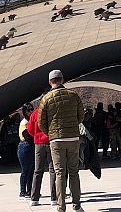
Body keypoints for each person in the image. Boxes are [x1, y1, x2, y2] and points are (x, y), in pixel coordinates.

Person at [38, 69, 85, 212]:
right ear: (62, 80)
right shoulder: (74, 96)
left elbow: (41, 122)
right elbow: (81, 116)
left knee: (59, 172)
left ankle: (61, 206)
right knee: (74, 172)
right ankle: (76, 206)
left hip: (56, 140)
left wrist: (51, 133)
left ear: (49, 82)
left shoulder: (45, 99)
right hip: (73, 138)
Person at [27, 99, 57, 207]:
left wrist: (36, 135)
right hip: (51, 142)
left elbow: (29, 129)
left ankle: (34, 198)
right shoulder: (52, 111)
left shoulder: (35, 113)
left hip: (39, 143)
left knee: (38, 171)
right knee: (53, 170)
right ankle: (54, 198)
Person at [18, 103, 36, 199]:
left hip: (32, 147)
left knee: (31, 170)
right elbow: (27, 136)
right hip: (24, 147)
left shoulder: (32, 120)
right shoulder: (24, 122)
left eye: (31, 109)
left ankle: (30, 190)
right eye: (28, 110)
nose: (30, 111)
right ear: (24, 111)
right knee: (25, 170)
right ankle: (22, 191)